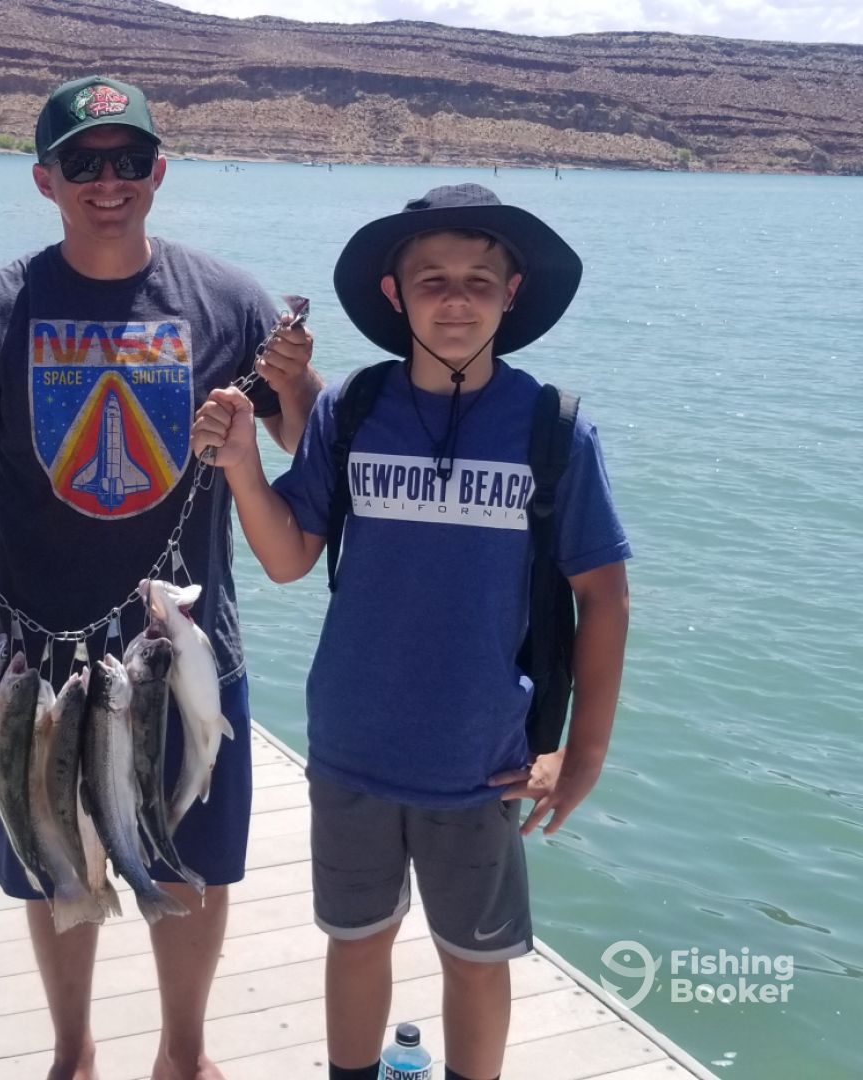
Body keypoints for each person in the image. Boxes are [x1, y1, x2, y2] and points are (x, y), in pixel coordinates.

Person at [0, 76, 321, 1080]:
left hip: (181, 648)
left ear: (158, 171)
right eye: (81, 163)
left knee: (194, 862)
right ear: (44, 179)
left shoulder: (230, 301)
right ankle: (73, 1052)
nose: (107, 180)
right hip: (37, 658)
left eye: (128, 159)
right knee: (56, 854)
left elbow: (303, 442)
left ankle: (185, 1052)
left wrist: (298, 380)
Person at [192, 184, 631, 1080]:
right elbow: (290, 556)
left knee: (476, 959)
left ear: (512, 294)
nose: (455, 300)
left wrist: (581, 754)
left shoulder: (553, 429)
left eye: (478, 280)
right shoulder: (353, 410)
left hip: (482, 760)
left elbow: (604, 595)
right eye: (432, 280)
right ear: (395, 294)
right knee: (356, 940)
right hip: (351, 744)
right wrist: (242, 465)